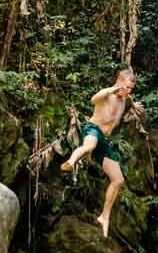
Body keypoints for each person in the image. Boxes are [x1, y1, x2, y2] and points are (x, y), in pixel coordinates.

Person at [60, 67, 144, 238]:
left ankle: (104, 216)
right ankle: (71, 161)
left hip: (104, 141)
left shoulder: (126, 98)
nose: (129, 91)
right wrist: (113, 89)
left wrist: (134, 105)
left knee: (118, 180)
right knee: (89, 145)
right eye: (127, 87)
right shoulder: (106, 95)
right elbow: (94, 99)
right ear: (119, 82)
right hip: (92, 129)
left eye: (131, 88)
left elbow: (129, 100)